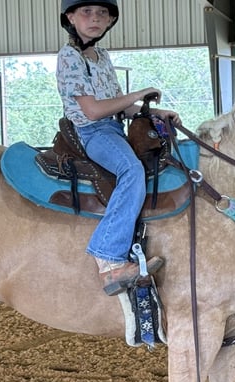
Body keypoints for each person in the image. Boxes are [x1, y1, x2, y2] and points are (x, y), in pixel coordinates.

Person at [57, 0, 179, 296]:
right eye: (86, 12)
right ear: (71, 17)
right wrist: (137, 95)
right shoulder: (69, 57)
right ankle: (109, 260)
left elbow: (118, 106)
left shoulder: (101, 55)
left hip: (112, 127)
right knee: (131, 170)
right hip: (92, 131)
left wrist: (153, 113)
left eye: (102, 13)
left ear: (110, 21)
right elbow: (93, 111)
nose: (95, 18)